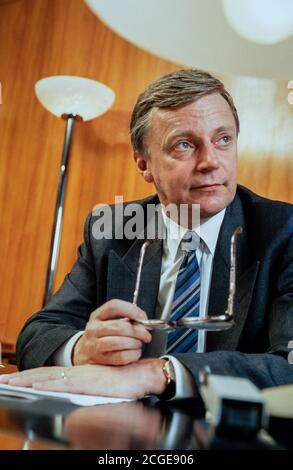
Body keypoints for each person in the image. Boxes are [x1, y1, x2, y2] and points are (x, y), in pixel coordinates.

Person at [1, 69, 293, 399]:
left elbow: (288, 364)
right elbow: (37, 333)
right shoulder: (113, 229)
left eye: (223, 139)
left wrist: (159, 372)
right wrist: (84, 348)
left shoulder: (283, 230)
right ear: (144, 165)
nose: (211, 162)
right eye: (185, 145)